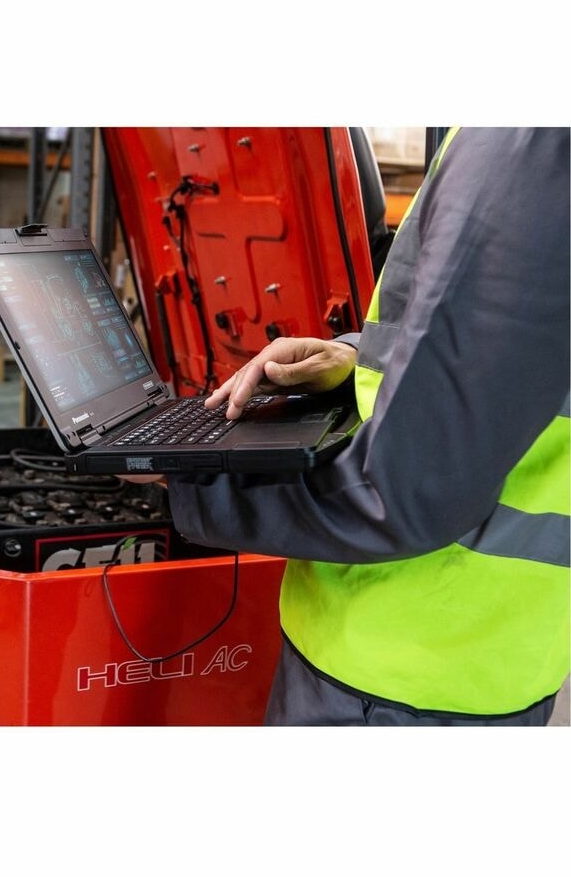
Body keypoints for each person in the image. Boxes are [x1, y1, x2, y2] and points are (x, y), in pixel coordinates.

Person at [149, 127, 570, 725]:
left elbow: (409, 491)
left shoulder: (525, 141)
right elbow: (511, 363)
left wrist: (188, 474)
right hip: (486, 652)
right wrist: (353, 358)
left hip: (404, 665)